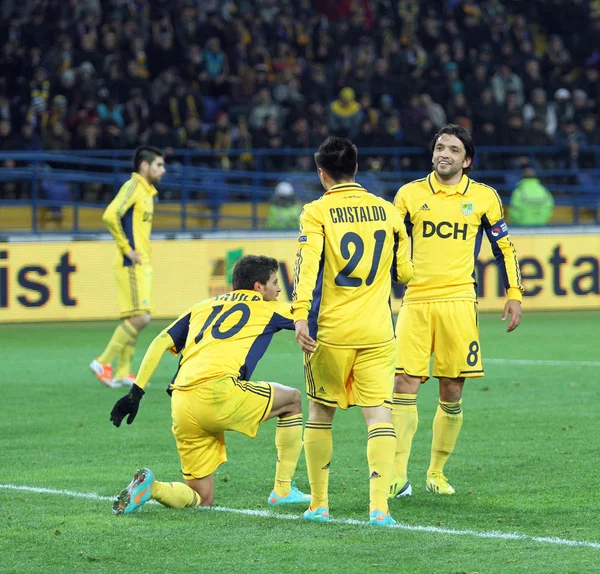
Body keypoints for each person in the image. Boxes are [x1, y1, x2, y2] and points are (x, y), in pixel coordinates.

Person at [110, 255, 310, 514]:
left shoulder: (202, 307)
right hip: (219, 392)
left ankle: (153, 488)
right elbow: (313, 318)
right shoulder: (269, 308)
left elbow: (161, 341)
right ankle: (282, 490)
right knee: (292, 400)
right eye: (274, 282)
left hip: (182, 401)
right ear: (258, 287)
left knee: (201, 497)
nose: (279, 289)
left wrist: (135, 393)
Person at [389, 124, 523, 499]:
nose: (443, 154)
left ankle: (436, 472)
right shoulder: (408, 195)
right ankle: (397, 475)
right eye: (439, 148)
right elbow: (390, 247)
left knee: (451, 389)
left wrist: (514, 293)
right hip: (415, 301)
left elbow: (505, 249)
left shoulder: (484, 198)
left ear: (467, 160)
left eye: (452, 149)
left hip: (460, 301)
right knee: (404, 384)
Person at [292, 137, 414, 526]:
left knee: (320, 412)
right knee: (379, 416)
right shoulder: (387, 210)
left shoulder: (316, 211)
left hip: (331, 332)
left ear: (321, 173)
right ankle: (379, 507)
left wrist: (299, 316)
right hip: (379, 331)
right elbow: (406, 273)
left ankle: (320, 504)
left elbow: (306, 268)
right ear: (357, 169)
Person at [89, 146, 165, 388]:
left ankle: (123, 371)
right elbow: (110, 215)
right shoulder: (133, 186)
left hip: (142, 263)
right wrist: (126, 248)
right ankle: (102, 362)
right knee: (142, 317)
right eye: (159, 165)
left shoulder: (147, 192)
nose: (163, 170)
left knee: (136, 317)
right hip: (131, 263)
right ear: (145, 166)